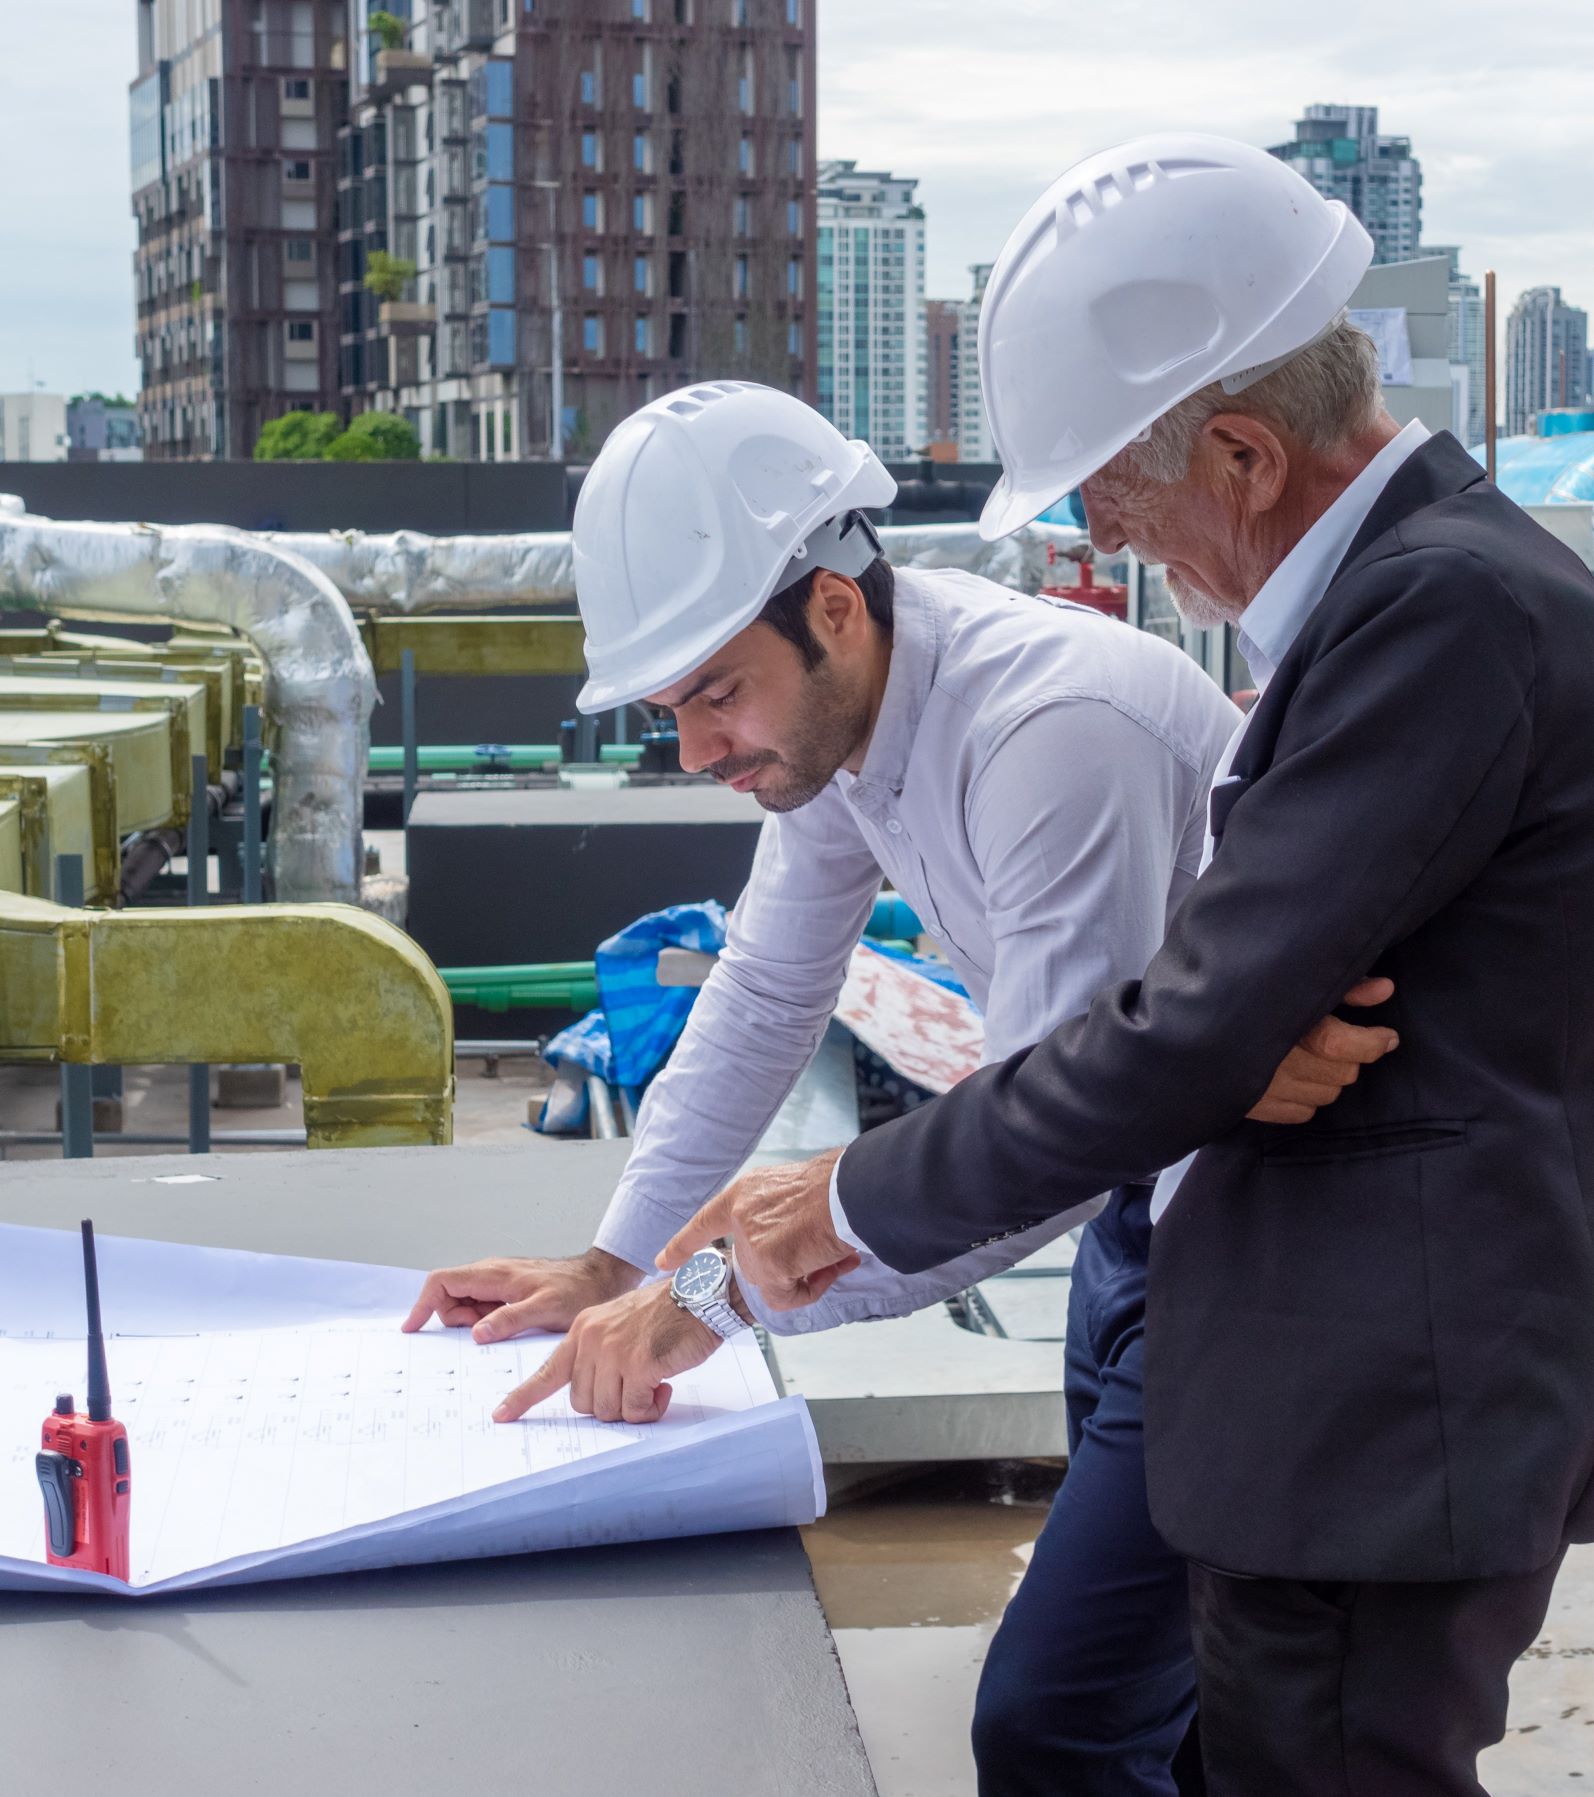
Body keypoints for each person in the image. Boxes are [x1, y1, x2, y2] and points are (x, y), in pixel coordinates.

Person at [662, 134, 1594, 1795]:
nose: (1104, 534)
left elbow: (1181, 1029)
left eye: (1113, 485)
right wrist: (1227, 1036)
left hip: (1373, 1407)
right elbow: (1224, 1021)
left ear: (1239, 451)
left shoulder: (1442, 613)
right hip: (1314, 1375)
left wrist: (839, 1203)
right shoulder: (1407, 601)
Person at [404, 380, 1392, 1794]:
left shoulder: (1054, 731)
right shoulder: (847, 734)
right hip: (1150, 1215)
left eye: (714, 693)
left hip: (1272, 1245)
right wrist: (610, 1259)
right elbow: (761, 991)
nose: (694, 749)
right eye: (669, 708)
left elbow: (1038, 1145)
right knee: (1176, 1710)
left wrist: (703, 1299)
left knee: (1058, 1719)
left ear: (833, 609)